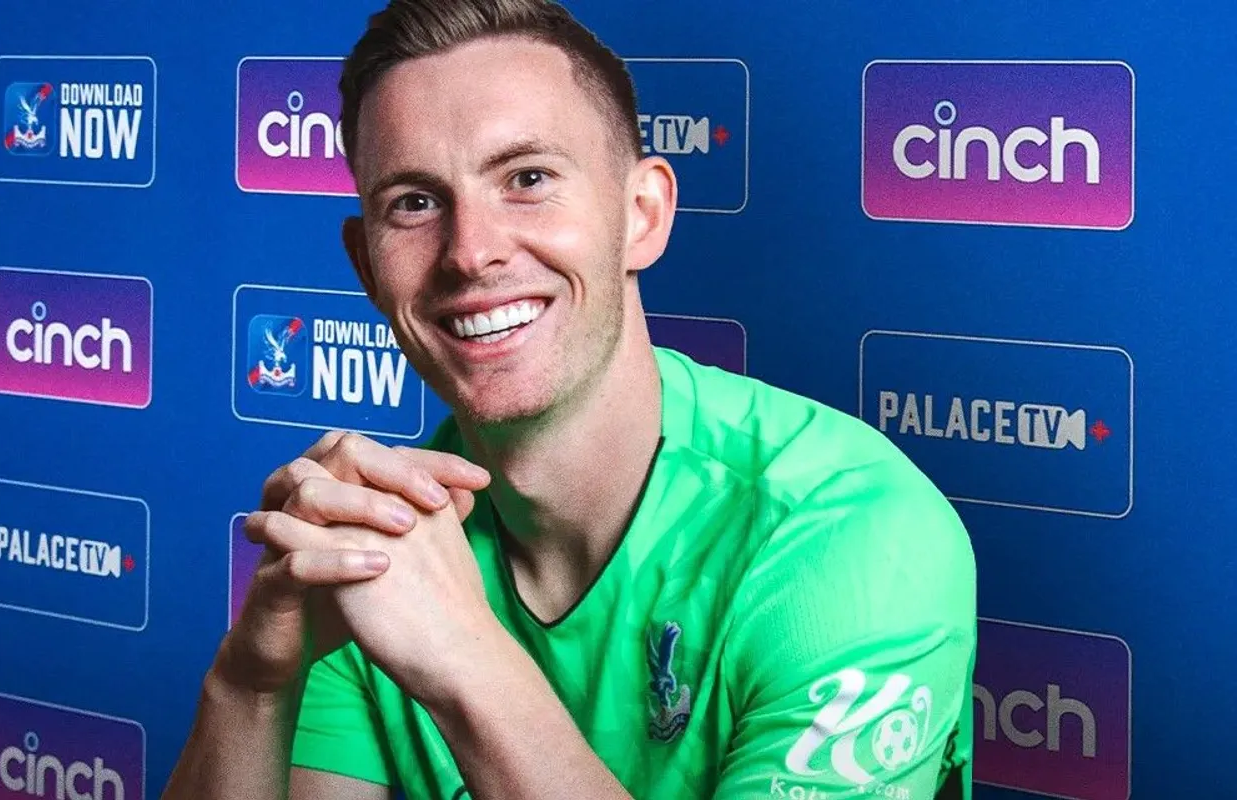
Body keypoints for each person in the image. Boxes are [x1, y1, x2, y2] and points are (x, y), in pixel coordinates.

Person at [165, 1, 978, 798]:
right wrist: (251, 684)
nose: (471, 253)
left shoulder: (855, 534)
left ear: (642, 215)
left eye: (528, 179)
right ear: (367, 267)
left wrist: (466, 661)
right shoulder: (387, 535)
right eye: (414, 202)